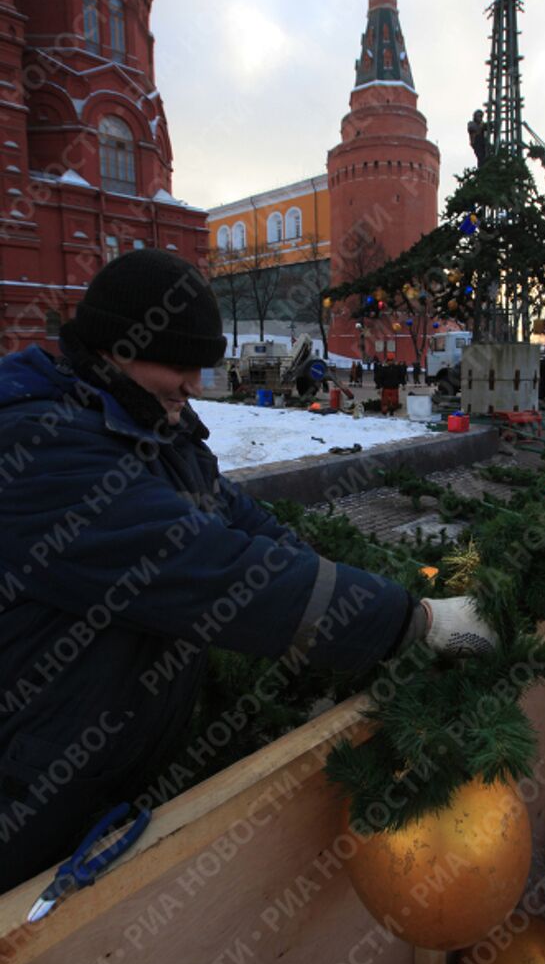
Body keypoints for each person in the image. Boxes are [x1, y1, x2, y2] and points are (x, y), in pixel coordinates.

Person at [0, 249, 496, 891]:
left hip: (98, 771)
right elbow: (221, 573)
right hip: (27, 793)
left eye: (199, 365)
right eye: (178, 364)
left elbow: (247, 528)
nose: (193, 384)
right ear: (116, 349)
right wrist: (414, 619)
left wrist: (352, 591)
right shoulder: (42, 449)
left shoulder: (149, 425)